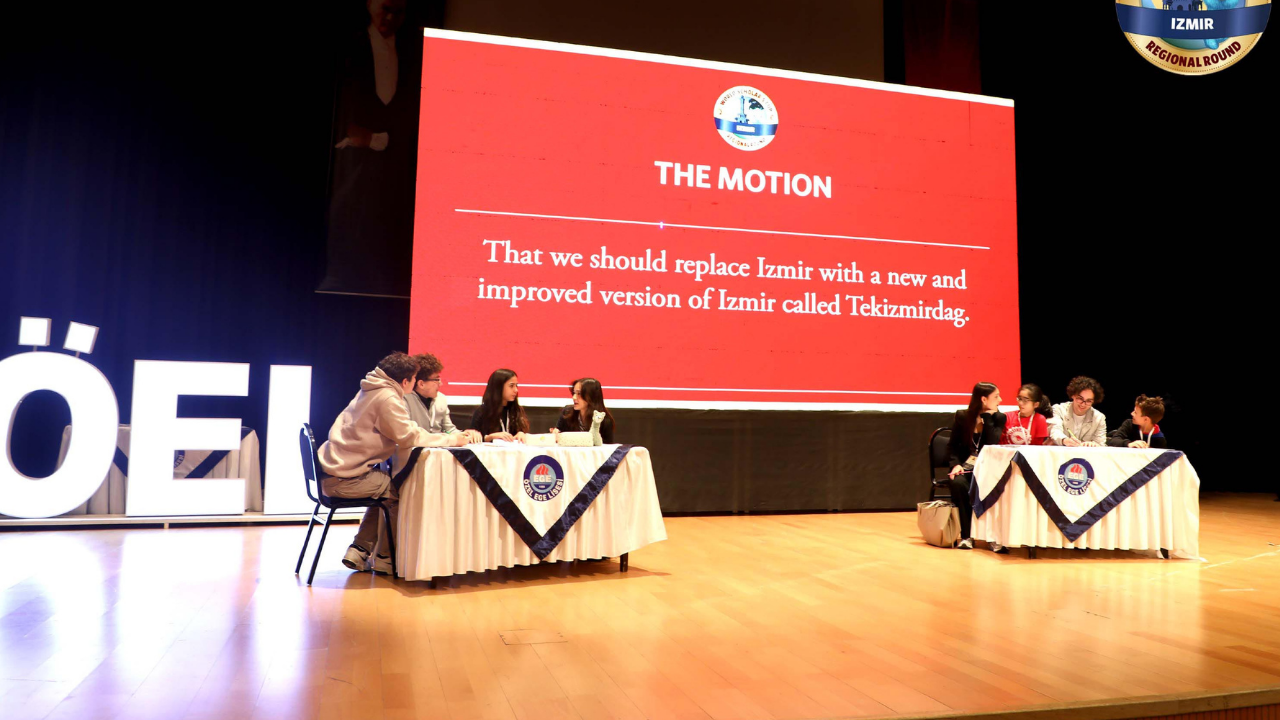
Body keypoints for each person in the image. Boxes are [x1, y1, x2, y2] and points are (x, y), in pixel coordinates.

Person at [318, 352, 475, 574]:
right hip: (344, 479)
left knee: (384, 489)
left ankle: (359, 550)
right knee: (397, 493)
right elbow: (408, 436)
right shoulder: (388, 398)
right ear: (406, 381)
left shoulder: (370, 388)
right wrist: (452, 440)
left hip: (334, 473)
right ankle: (385, 557)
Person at [946, 382, 1006, 549]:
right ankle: (967, 536)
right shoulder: (963, 417)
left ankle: (993, 537)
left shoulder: (999, 418)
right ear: (983, 399)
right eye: (996, 397)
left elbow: (992, 442)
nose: (1000, 400)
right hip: (966, 467)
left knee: (995, 486)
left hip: (989, 470)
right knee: (959, 484)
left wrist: (987, 418)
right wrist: (955, 465)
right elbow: (952, 446)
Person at [469, 369, 529, 442]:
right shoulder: (482, 412)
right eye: (511, 386)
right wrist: (490, 437)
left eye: (516, 386)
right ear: (499, 387)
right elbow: (472, 439)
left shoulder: (516, 410)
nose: (516, 390)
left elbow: (520, 434)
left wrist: (521, 433)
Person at [404, 353, 457, 434]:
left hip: (439, 442)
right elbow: (407, 433)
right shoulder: (404, 400)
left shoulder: (441, 399)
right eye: (436, 380)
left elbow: (449, 429)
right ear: (421, 384)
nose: (440, 384)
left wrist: (465, 435)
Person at [552, 378, 616, 443]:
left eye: (579, 393)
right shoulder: (567, 412)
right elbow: (558, 433)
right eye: (574, 393)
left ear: (591, 396)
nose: (574, 397)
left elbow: (607, 447)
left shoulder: (604, 421)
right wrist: (556, 434)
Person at [1049, 376, 1107, 447]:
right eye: (1080, 398)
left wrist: (1094, 445)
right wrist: (1065, 440)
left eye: (1088, 401)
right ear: (1073, 395)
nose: (1083, 404)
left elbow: (1101, 443)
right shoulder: (1059, 409)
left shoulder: (1099, 418)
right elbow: (1055, 431)